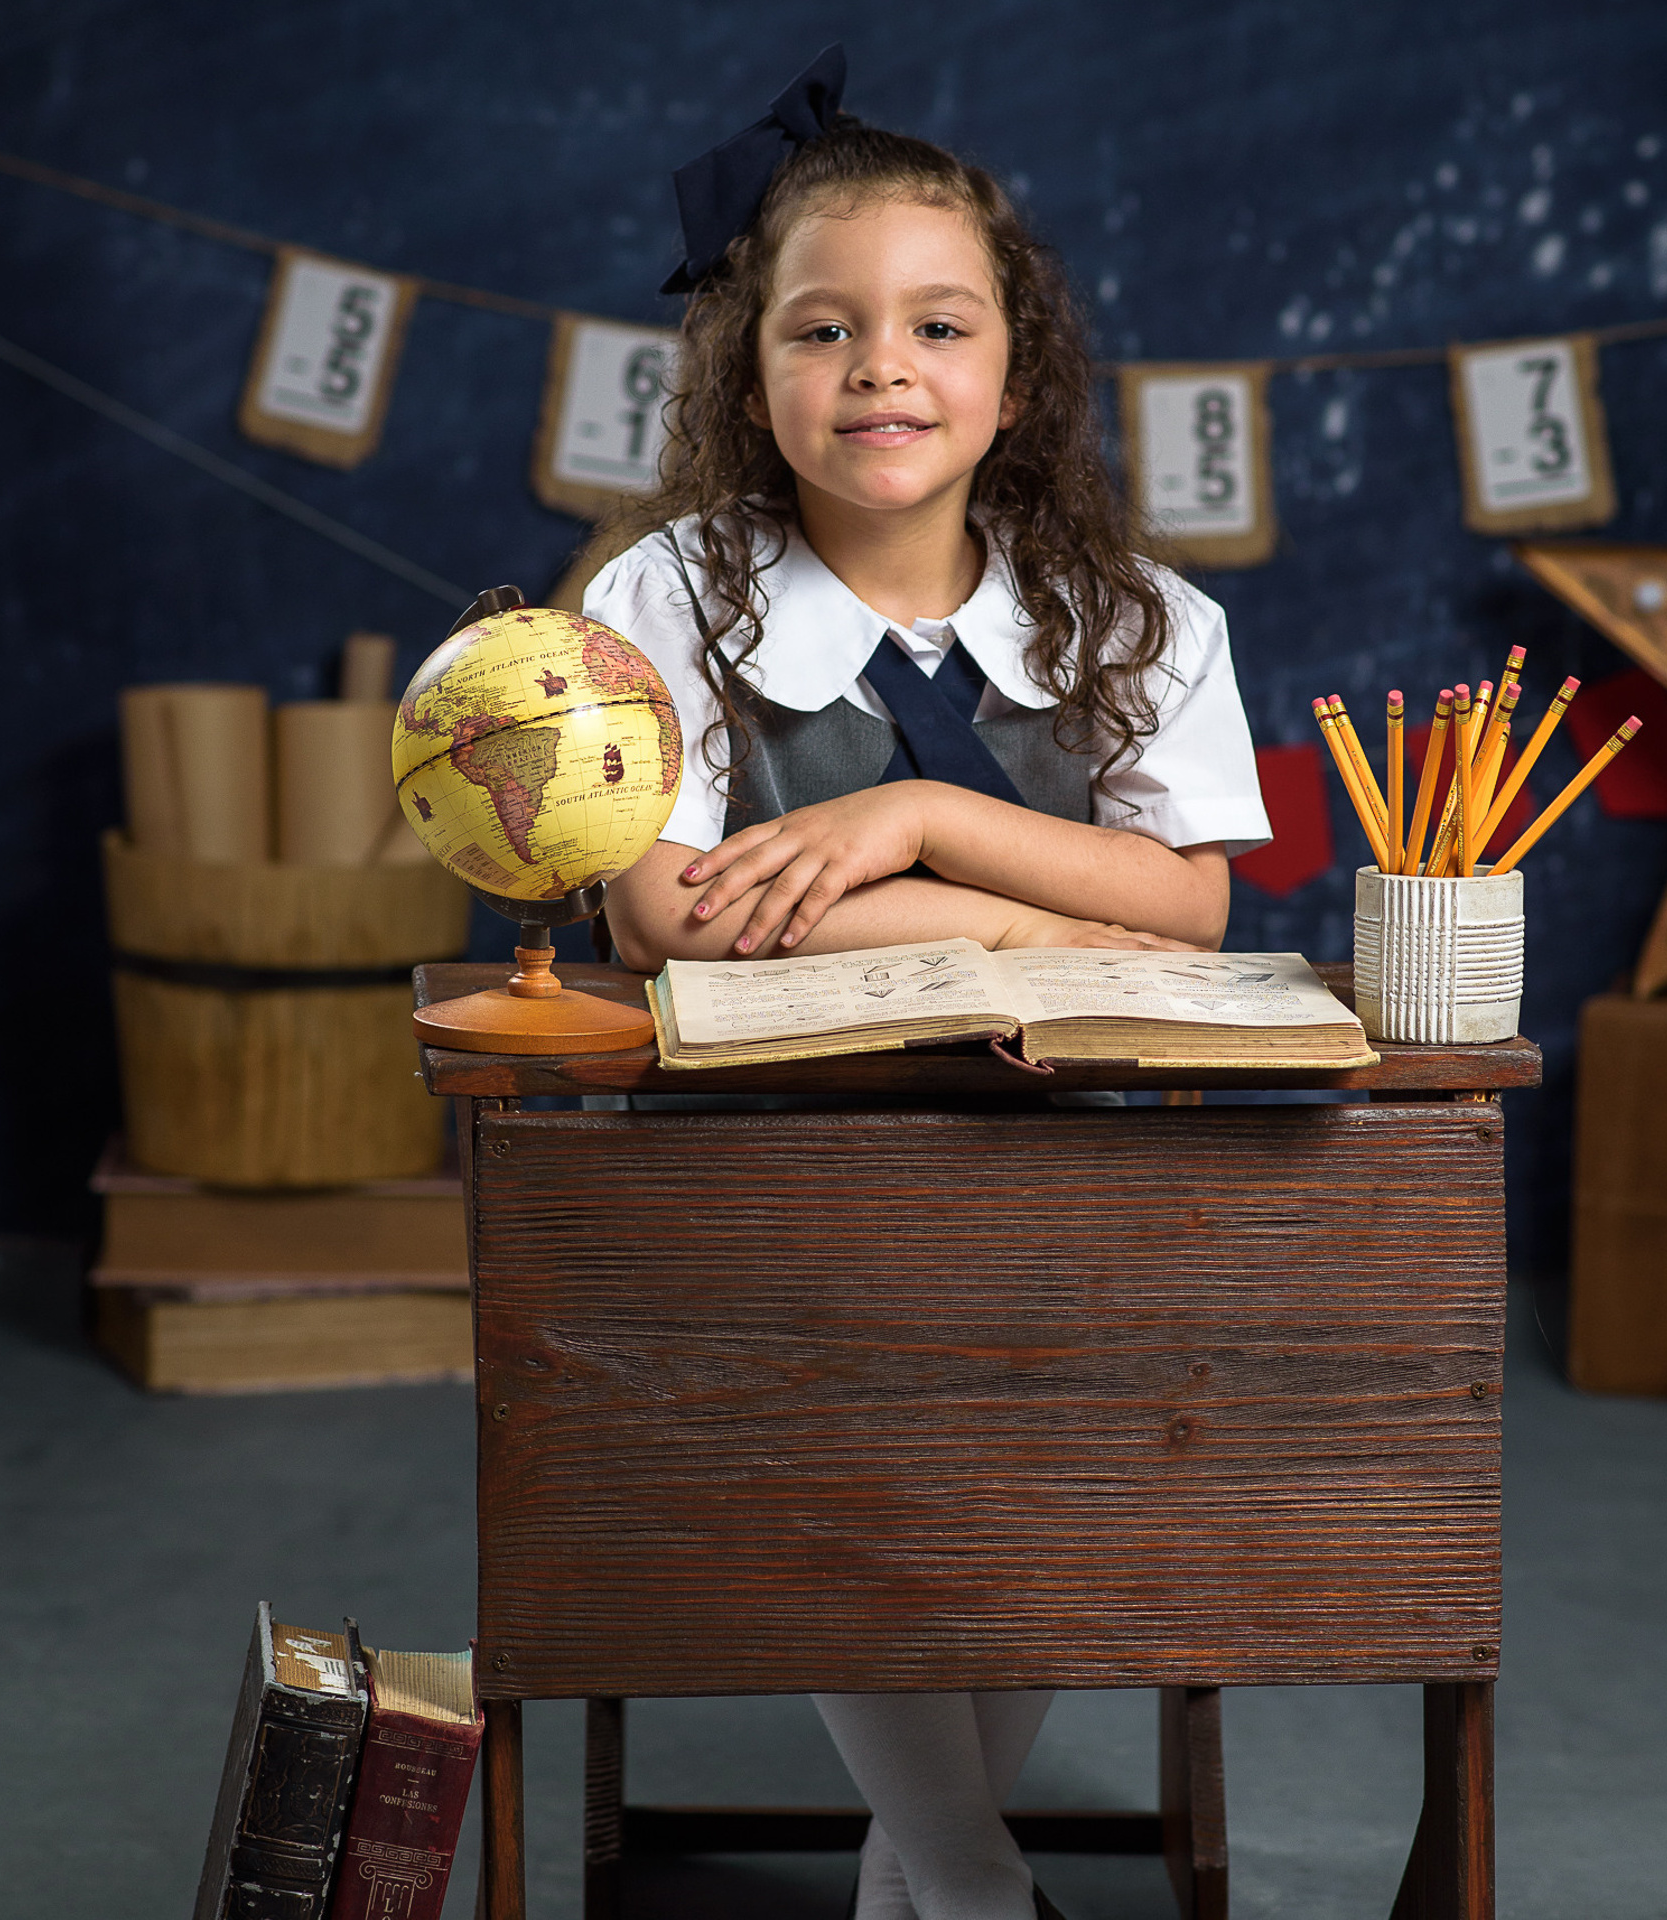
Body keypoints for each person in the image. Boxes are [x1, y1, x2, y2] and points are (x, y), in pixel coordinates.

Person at [583, 48, 1271, 1920]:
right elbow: (670, 916)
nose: (881, 366)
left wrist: (910, 819)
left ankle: (932, 1863)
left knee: (1047, 1458)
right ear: (752, 376)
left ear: (1012, 379)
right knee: (854, 1448)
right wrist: (1062, 918)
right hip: (768, 1164)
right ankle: (967, 1878)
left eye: (936, 325)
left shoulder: (1139, 615)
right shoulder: (669, 599)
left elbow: (1194, 912)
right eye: (823, 329)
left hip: (1072, 1158)